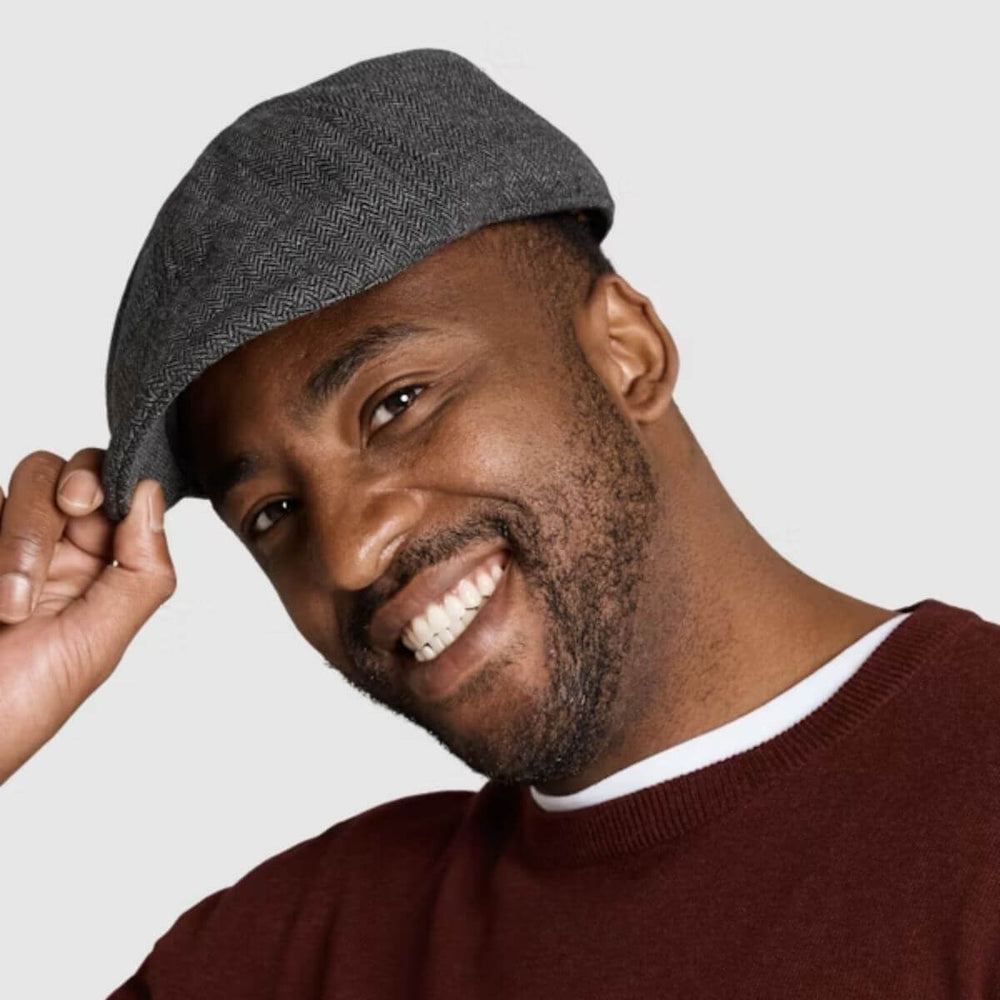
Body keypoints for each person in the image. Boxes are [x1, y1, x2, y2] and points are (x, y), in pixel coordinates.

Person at [0, 48, 997, 998]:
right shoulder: (296, 952)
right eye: (272, 511)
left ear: (628, 352)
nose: (348, 553)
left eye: (394, 404)